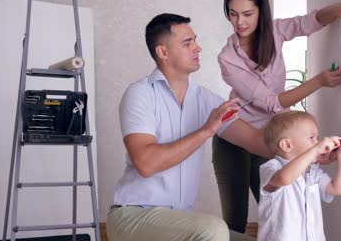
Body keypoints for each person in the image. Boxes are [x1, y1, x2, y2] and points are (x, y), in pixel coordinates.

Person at [212, 0, 341, 233]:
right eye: (233, 14)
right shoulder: (227, 58)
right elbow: (271, 103)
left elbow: (307, 22)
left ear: (261, 11)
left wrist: (336, 9)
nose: (240, 22)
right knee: (235, 220)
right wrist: (319, 81)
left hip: (270, 132)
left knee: (280, 208)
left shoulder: (275, 31)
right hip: (235, 133)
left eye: (248, 13)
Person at [106, 13, 271, 241]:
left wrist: (312, 148)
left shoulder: (206, 100)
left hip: (179, 221)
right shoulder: (140, 94)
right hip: (133, 216)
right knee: (214, 229)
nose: (198, 48)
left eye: (195, 40)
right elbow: (146, 163)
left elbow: (257, 141)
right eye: (187, 43)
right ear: (163, 52)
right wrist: (206, 131)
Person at [258, 111, 341, 241]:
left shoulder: (312, 172)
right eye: (312, 138)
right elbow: (284, 178)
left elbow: (338, 188)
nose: (317, 142)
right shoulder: (271, 167)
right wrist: (316, 150)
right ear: (287, 145)